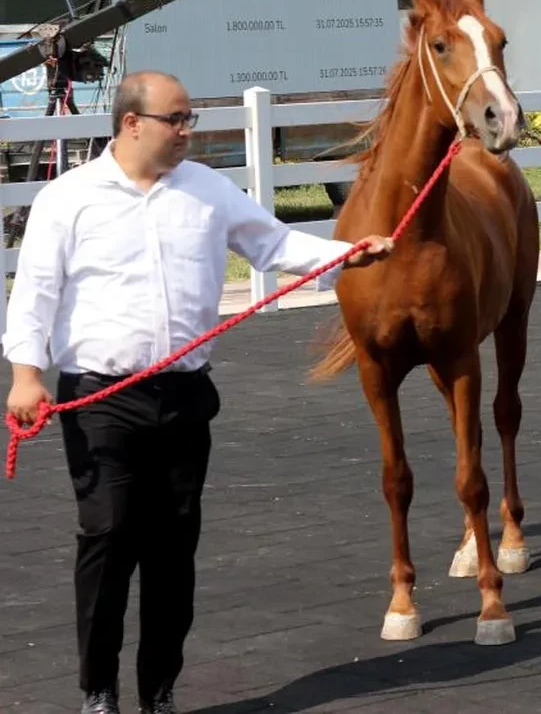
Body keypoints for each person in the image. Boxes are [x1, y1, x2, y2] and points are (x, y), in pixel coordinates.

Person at [2, 70, 394, 714]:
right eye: (176, 120)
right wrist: (25, 374)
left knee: (172, 548)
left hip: (185, 398)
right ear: (132, 123)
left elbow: (274, 244)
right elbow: (37, 291)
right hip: (102, 398)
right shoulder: (68, 199)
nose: (189, 131)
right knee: (107, 534)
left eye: (190, 119)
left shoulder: (209, 192)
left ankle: (158, 690)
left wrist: (349, 253)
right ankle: (98, 690)